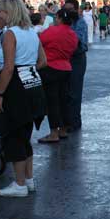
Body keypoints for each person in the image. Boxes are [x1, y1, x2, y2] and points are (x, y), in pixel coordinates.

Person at [0, 0, 48, 197]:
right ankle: (29, 180)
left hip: (15, 87)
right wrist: (28, 68)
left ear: (9, 12)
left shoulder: (10, 34)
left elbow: (7, 68)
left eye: (1, 11)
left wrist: (0, 93)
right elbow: (43, 61)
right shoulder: (32, 32)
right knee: (25, 135)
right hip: (33, 85)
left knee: (14, 134)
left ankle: (19, 184)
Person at [38, 9, 78, 143]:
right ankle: (63, 130)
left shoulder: (52, 31)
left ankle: (53, 132)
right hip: (66, 68)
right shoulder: (73, 34)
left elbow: (39, 42)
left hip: (50, 68)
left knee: (52, 102)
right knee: (64, 100)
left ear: (59, 18)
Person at [63, 0, 89, 132]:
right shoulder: (64, 22)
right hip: (65, 58)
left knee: (74, 91)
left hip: (77, 58)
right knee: (65, 91)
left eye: (70, 10)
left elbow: (80, 42)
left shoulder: (80, 23)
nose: (67, 12)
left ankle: (74, 122)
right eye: (65, 9)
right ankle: (66, 120)